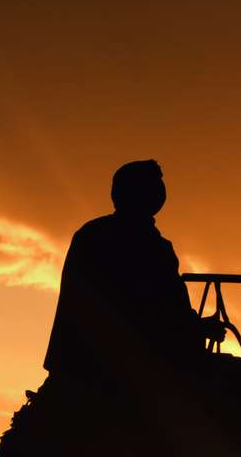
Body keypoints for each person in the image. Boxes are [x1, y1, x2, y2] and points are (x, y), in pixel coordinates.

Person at [43, 159, 218, 384]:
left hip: (83, 361)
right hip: (116, 367)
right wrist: (197, 328)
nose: (157, 194)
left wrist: (193, 327)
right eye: (150, 188)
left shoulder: (93, 233)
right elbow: (146, 309)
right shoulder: (142, 244)